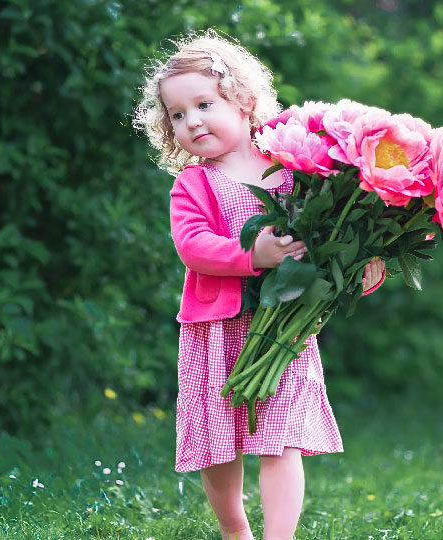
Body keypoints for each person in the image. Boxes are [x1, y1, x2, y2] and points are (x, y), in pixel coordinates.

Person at [133, 30, 384, 540]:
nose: (192, 121)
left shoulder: (294, 169)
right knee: (218, 441)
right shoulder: (194, 184)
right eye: (177, 115)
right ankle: (234, 529)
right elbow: (192, 245)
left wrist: (363, 259)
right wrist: (253, 255)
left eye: (204, 104)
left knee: (282, 437)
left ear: (244, 101)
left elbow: (330, 232)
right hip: (217, 329)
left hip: (285, 326)